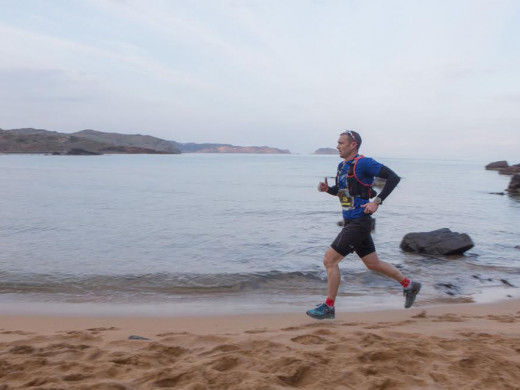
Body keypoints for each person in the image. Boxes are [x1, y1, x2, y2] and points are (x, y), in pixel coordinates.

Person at [306, 130, 420, 320]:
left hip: (360, 221)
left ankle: (329, 306)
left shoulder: (364, 163)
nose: (337, 146)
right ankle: (409, 285)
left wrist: (377, 201)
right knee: (372, 263)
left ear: (353, 145)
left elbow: (394, 178)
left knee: (329, 260)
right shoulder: (342, 166)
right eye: (337, 142)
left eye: (341, 143)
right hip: (352, 220)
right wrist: (328, 190)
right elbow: (344, 193)